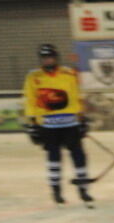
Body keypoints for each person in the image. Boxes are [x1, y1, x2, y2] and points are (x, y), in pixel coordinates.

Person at [22, 44, 93, 208]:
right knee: (54, 158)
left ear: (56, 58)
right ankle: (56, 190)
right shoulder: (33, 77)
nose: (48, 60)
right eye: (44, 58)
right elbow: (30, 99)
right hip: (49, 125)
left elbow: (76, 96)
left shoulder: (68, 73)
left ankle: (83, 188)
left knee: (79, 155)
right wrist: (33, 122)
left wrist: (82, 118)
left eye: (50, 57)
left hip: (71, 123)